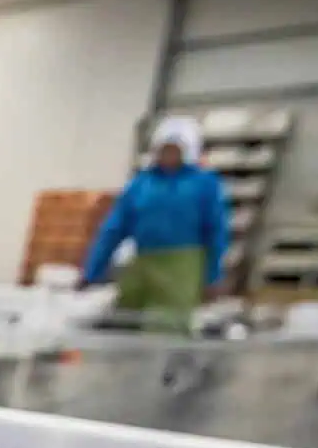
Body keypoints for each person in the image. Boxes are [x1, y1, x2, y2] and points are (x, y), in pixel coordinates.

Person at [81, 116, 229, 329]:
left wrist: (212, 276)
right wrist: (93, 269)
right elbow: (114, 227)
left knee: (165, 328)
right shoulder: (141, 183)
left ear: (189, 151)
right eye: (163, 149)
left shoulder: (204, 184)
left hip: (181, 268)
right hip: (142, 263)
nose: (167, 155)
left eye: (175, 149)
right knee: (125, 322)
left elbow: (216, 232)